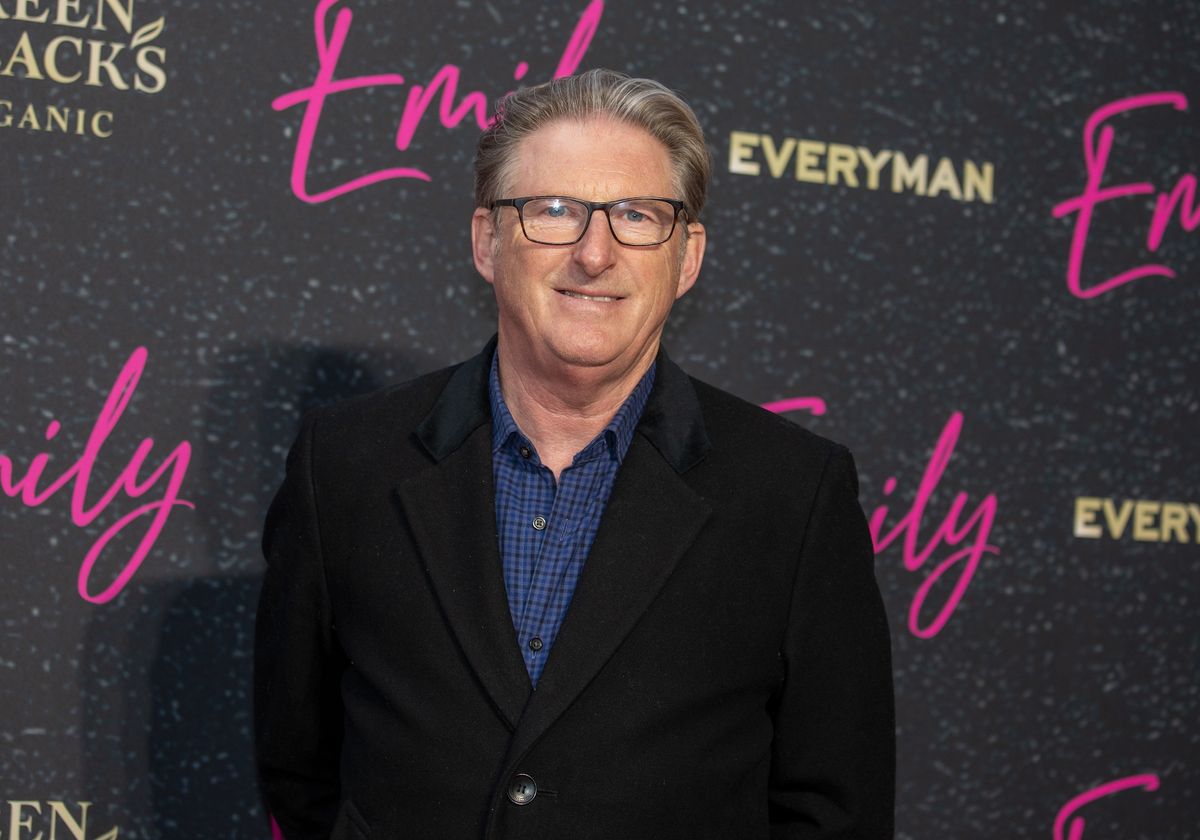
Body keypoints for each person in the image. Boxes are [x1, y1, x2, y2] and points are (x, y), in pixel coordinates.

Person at [255, 68, 895, 840]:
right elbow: (301, 768)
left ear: (687, 257)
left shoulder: (794, 493)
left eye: (638, 215)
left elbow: (837, 808)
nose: (595, 253)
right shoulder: (347, 464)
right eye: (554, 211)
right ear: (488, 240)